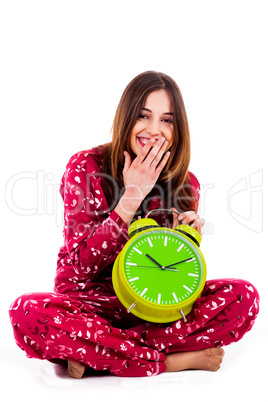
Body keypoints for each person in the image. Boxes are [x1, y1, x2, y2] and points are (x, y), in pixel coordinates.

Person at [9, 71, 259, 378]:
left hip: (154, 312)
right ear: (127, 117)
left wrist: (188, 242)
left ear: (177, 128)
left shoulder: (185, 184)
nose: (155, 130)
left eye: (167, 120)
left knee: (244, 298)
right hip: (89, 306)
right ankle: (169, 361)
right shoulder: (85, 167)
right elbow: (81, 267)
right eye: (144, 116)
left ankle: (95, 353)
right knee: (27, 312)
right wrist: (131, 197)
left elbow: (170, 274)